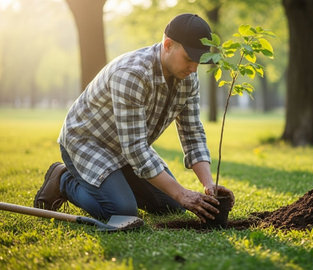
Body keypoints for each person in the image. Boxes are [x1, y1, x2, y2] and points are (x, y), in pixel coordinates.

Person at [33, 13, 234, 223]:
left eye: (199, 61)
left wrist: (208, 185)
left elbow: (192, 132)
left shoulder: (188, 78)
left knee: (171, 206)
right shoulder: (132, 73)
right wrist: (181, 192)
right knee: (122, 212)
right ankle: (63, 179)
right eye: (189, 59)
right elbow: (136, 148)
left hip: (126, 149)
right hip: (87, 142)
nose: (194, 68)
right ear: (168, 45)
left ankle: (116, 183)